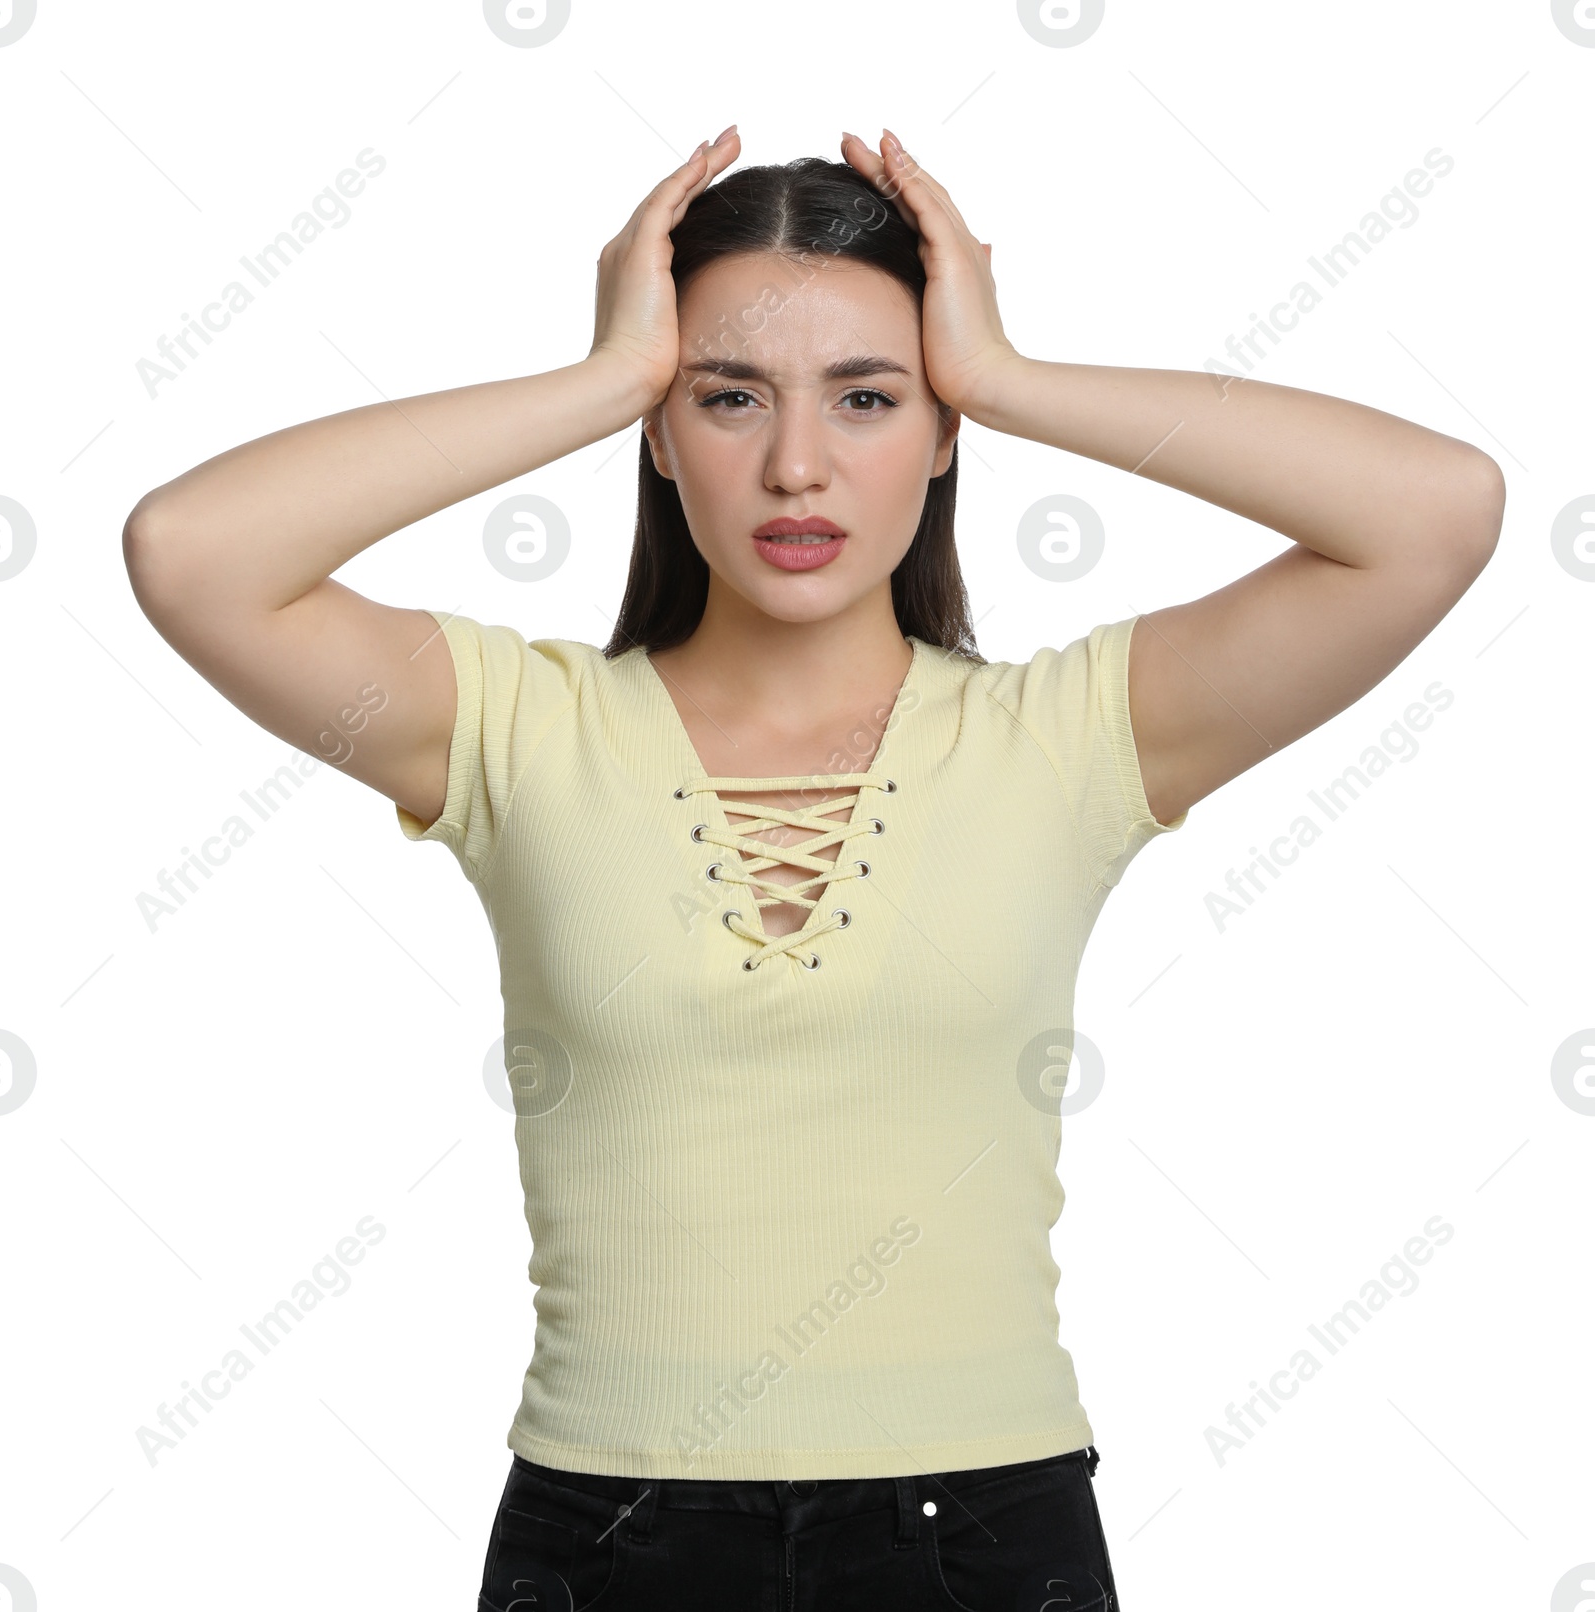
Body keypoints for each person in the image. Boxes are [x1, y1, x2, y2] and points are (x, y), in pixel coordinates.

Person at [122, 125, 1505, 1612]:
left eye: (868, 398)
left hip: (979, 1536)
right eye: (728, 398)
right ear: (662, 430)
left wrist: (1011, 374)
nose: (797, 464)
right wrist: (597, 381)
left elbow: (1434, 515)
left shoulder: (1069, 737)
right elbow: (192, 549)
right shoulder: (517, 730)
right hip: (610, 1536)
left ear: (943, 428)